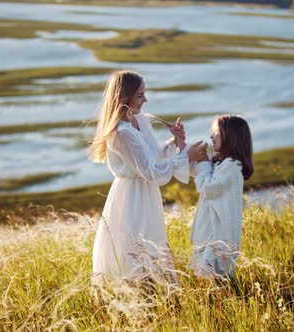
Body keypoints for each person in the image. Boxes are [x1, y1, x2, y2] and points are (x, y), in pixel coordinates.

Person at [88, 70, 207, 284]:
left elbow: (154, 157)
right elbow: (150, 172)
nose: (145, 99)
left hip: (146, 193)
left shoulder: (139, 121)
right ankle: (136, 294)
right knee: (133, 249)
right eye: (141, 95)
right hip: (131, 198)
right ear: (125, 97)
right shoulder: (121, 133)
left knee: (151, 247)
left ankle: (154, 293)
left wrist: (174, 142)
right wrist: (186, 155)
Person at [189, 115, 254, 281]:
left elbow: (208, 188)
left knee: (215, 275)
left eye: (216, 132)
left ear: (230, 136)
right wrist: (181, 143)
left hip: (219, 233)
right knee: (207, 275)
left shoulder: (232, 166)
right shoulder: (221, 163)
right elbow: (197, 170)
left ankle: (221, 300)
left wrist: (203, 161)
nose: (211, 136)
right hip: (212, 229)